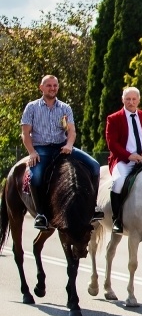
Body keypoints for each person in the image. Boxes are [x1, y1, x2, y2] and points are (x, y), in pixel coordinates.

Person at [21, 75, 103, 230]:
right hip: (41, 149)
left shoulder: (65, 108)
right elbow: (25, 134)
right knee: (36, 177)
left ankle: (93, 206)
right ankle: (41, 215)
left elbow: (71, 131)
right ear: (41, 87)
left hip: (62, 147)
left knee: (94, 165)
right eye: (49, 85)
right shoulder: (31, 107)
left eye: (55, 85)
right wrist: (32, 152)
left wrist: (69, 145)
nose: (52, 88)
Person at [105, 87, 142, 233]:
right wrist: (129, 155)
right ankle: (117, 219)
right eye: (128, 99)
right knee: (118, 182)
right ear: (123, 100)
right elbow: (112, 143)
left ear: (138, 100)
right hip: (124, 160)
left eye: (134, 99)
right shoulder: (114, 118)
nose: (131, 102)